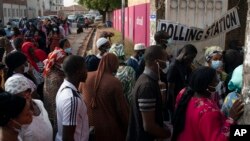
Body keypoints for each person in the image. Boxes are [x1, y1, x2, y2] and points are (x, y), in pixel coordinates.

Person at [172, 67, 244, 141]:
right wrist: (231, 119)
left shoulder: (184, 93)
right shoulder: (208, 111)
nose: (219, 82)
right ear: (209, 86)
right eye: (217, 81)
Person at [79, 53, 128, 141]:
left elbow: (80, 98)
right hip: (110, 129)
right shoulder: (115, 82)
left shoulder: (86, 77)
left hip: (89, 126)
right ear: (113, 64)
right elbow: (121, 110)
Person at [127, 45, 171, 141]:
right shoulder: (147, 86)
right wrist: (168, 134)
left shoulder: (148, 79)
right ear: (157, 62)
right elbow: (149, 126)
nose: (167, 63)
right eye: (165, 60)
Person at [5, 75, 53, 141]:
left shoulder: (39, 103)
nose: (27, 95)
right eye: (20, 95)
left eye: (28, 90)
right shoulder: (18, 120)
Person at [56, 55, 89, 141]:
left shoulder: (64, 88)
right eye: (85, 68)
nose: (87, 72)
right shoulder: (72, 99)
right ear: (78, 72)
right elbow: (67, 137)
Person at [43, 39, 70, 135]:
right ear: (57, 61)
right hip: (55, 110)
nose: (65, 61)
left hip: (52, 109)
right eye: (63, 60)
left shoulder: (51, 71)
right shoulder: (56, 77)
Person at [166, 44, 197, 119]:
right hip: (176, 103)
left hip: (183, 100)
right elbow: (170, 89)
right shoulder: (174, 67)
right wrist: (174, 106)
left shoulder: (186, 66)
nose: (192, 60)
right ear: (184, 54)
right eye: (191, 57)